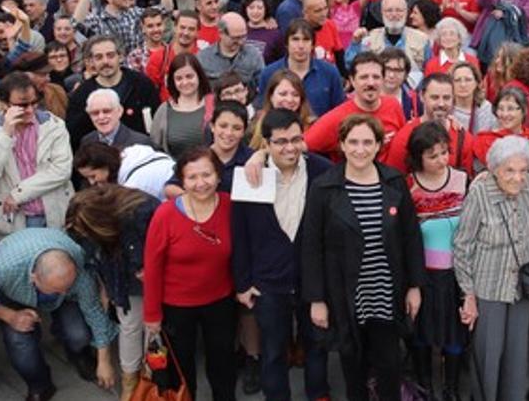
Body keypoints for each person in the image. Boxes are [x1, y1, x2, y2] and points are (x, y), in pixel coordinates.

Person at [301, 114, 426, 401]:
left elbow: (410, 236)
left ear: (379, 145)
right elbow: (312, 247)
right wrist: (317, 300)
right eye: (353, 142)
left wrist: (415, 286)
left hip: (385, 292)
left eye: (368, 142)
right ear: (342, 145)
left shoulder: (394, 182)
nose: (360, 149)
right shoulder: (324, 188)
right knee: (353, 367)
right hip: (344, 294)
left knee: (389, 366)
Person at [231, 109, 332, 401]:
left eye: (296, 139)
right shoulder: (251, 176)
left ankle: (318, 393)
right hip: (268, 281)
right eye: (281, 141)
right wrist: (242, 282)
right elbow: (240, 233)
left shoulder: (322, 171)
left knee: (316, 344)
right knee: (273, 351)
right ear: (267, 144)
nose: (290, 147)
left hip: (311, 278)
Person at [143, 147, 237, 401]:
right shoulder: (165, 214)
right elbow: (152, 267)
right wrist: (152, 315)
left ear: (218, 176)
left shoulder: (231, 205)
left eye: (207, 175)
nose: (200, 183)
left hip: (221, 300)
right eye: (192, 177)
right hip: (177, 305)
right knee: (180, 370)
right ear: (181, 181)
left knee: (223, 362)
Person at [0, 226, 118, 398]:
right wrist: (9, 315)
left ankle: (77, 351)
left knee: (79, 335)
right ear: (34, 278)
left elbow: (95, 313)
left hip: (58, 284)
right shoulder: (0, 270)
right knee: (20, 346)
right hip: (13, 292)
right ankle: (40, 384)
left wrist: (104, 361)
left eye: (66, 287)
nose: (63, 292)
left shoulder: (78, 273)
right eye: (56, 289)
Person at [452, 135, 529, 401]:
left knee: (516, 353)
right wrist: (468, 295)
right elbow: (462, 245)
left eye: (523, 169)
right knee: (488, 355)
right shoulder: (480, 191)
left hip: (522, 286)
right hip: (488, 287)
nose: (517, 177)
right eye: (509, 170)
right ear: (494, 169)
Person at [64, 183, 159, 400]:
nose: (82, 234)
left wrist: (149, 269)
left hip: (148, 276)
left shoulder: (141, 210)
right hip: (120, 277)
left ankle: (150, 376)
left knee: (154, 328)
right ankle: (130, 380)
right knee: (130, 325)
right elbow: (93, 254)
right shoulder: (81, 219)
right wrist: (106, 286)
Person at [405, 122, 468, 401]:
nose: (441, 160)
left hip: (456, 273)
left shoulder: (462, 180)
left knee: (454, 333)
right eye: (432, 156)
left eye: (444, 152)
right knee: (421, 332)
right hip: (423, 274)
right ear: (418, 157)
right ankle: (424, 386)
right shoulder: (408, 186)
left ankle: (451, 388)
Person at [0, 72, 73, 238]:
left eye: (34, 103)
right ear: (4, 104)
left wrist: (18, 194)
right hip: (14, 222)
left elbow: (61, 170)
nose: (30, 110)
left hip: (54, 215)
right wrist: (6, 134)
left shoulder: (54, 125)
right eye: (22, 105)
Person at [66, 36, 160, 150]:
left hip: (139, 153)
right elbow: (75, 136)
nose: (105, 61)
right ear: (91, 61)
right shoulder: (82, 95)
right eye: (99, 57)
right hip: (100, 158)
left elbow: (157, 124)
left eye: (110, 55)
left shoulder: (141, 85)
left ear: (120, 56)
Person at [149, 52, 214, 156]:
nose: (185, 82)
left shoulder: (214, 105)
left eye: (189, 76)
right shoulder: (164, 110)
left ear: (199, 76)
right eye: (179, 78)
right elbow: (155, 147)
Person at [80, 88, 153, 148]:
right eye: (95, 113)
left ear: (119, 111)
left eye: (106, 111)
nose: (101, 117)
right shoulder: (87, 142)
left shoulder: (141, 143)